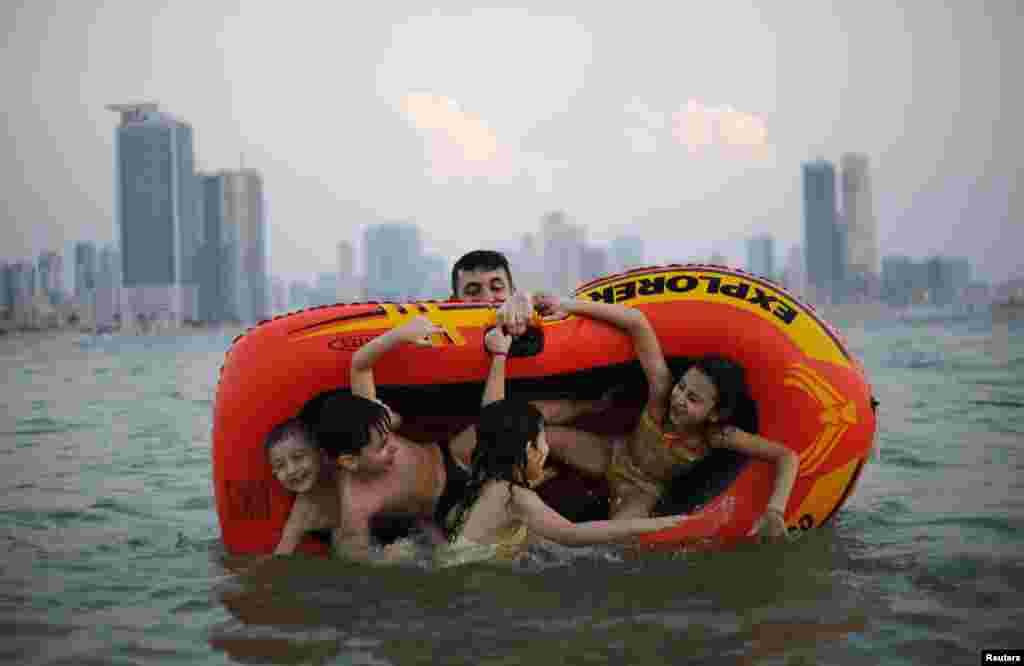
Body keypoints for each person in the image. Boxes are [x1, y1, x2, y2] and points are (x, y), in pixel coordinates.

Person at [530, 293, 799, 539]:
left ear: (715, 413)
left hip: (643, 490)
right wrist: (568, 305)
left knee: (612, 540)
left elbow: (786, 456)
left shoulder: (717, 436)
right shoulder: (662, 390)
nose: (679, 399)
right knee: (537, 436)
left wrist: (775, 511)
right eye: (682, 387)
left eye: (693, 399)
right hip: (612, 454)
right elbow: (637, 322)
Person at [316, 315, 518, 560]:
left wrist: (400, 334)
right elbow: (360, 564)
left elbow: (359, 363)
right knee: (466, 555)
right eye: (382, 446)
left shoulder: (368, 419)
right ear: (349, 461)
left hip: (449, 456)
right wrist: (392, 557)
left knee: (508, 422)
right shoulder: (356, 507)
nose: (393, 446)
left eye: (388, 435)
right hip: (443, 508)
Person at [437, 377, 685, 568]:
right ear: (529, 449)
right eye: (544, 441)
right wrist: (653, 525)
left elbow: (491, 418)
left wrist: (499, 353)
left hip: (448, 558)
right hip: (470, 577)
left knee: (532, 535)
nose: (547, 449)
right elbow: (572, 534)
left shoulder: (487, 479)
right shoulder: (517, 498)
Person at [264, 418, 340, 555]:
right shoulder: (302, 511)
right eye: (280, 465)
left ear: (321, 454)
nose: (291, 470)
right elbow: (282, 554)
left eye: (298, 457)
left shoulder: (343, 476)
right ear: (274, 473)